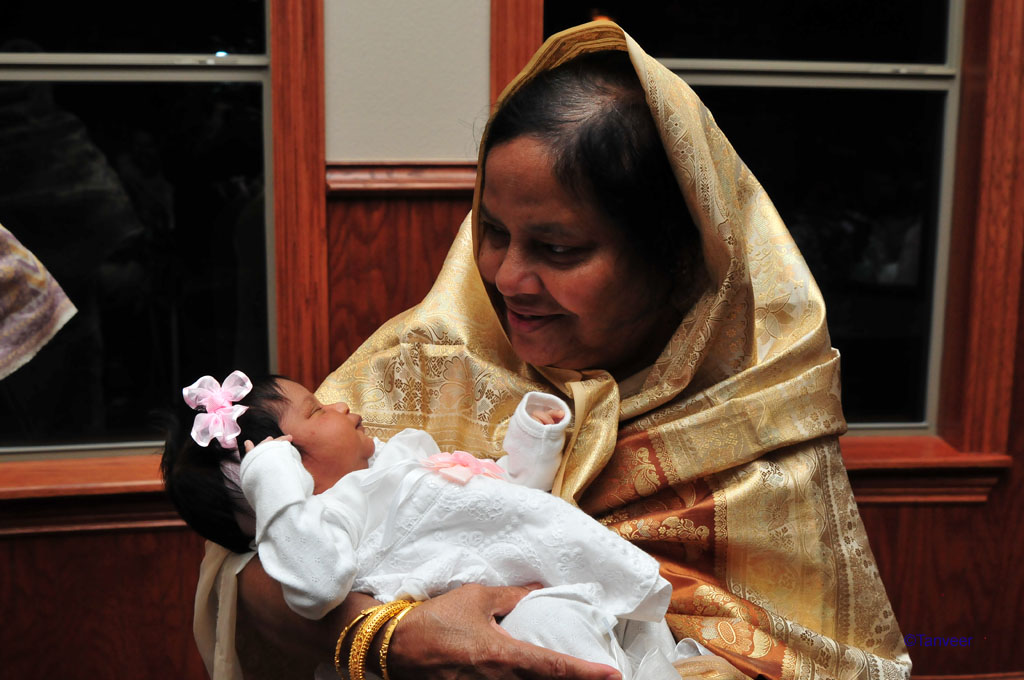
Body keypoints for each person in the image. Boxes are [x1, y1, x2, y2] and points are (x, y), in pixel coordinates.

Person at [195, 21, 911, 680]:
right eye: (492, 232)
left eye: (558, 248)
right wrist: (387, 637)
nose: (506, 277)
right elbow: (245, 565)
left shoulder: (758, 413)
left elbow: (820, 660)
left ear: (676, 257)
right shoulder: (423, 363)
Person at [164, 371, 692, 679]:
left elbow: (506, 508)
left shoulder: (397, 464)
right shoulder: (328, 519)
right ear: (288, 465)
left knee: (638, 632)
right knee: (553, 628)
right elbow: (314, 583)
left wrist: (534, 441)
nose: (343, 405)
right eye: (318, 410)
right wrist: (273, 483)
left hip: (575, 578)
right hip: (511, 622)